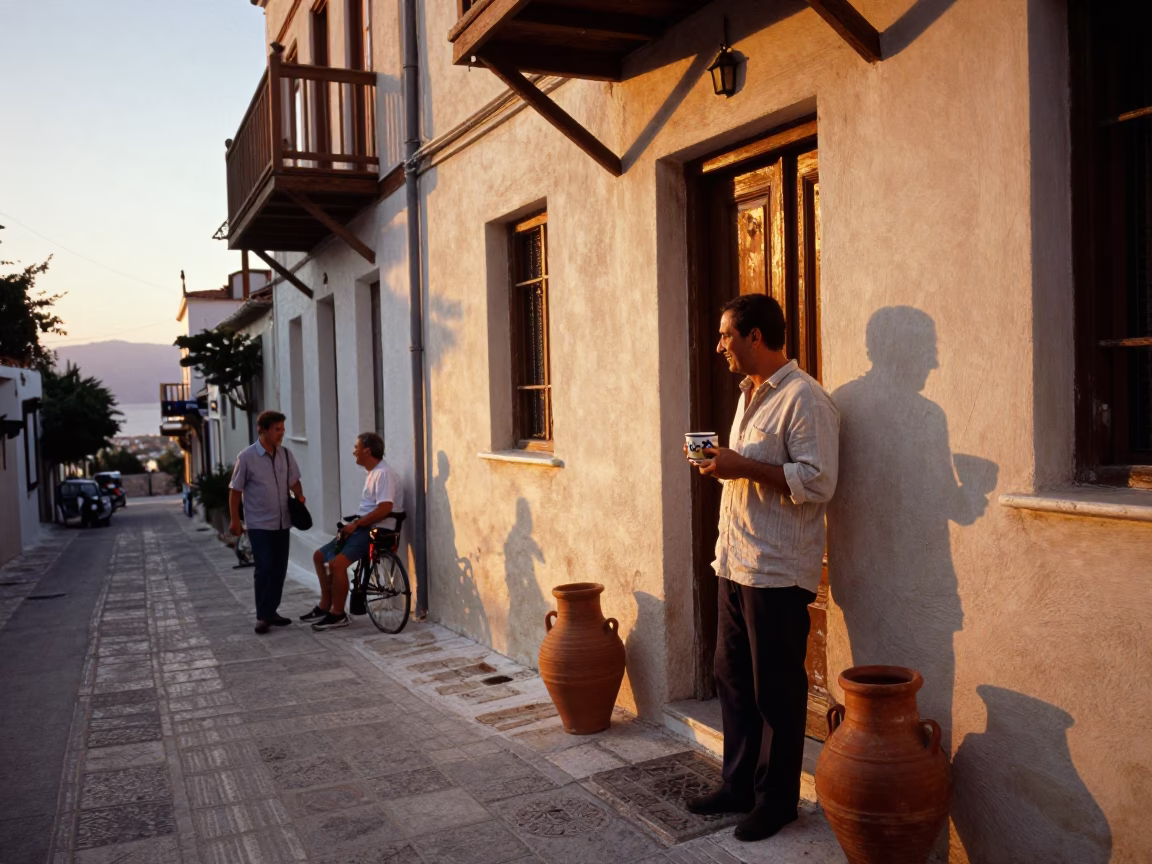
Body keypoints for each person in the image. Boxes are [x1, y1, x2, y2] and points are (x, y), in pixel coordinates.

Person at [685, 293, 839, 842]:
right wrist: (721, 466)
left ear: (755, 337)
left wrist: (740, 464)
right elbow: (753, 472)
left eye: (728, 335)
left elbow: (819, 482)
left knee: (776, 688)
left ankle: (777, 801)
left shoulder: (805, 399)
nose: (720, 344)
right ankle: (738, 785)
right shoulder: (748, 394)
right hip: (735, 559)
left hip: (777, 570)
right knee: (732, 678)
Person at [302, 431, 403, 631]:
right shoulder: (373, 472)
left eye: (356, 448)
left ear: (367, 451)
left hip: (375, 530)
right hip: (362, 527)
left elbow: (385, 508)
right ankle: (325, 606)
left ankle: (338, 613)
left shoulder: (383, 474)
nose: (354, 452)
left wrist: (356, 524)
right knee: (319, 556)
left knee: (336, 564)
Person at [228, 410, 306, 634]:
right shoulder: (246, 457)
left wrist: (299, 498)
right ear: (262, 430)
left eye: (282, 429)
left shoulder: (286, 455)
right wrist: (235, 520)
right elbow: (235, 491)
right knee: (264, 567)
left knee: (279, 569)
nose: (281, 434)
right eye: (277, 429)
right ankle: (262, 615)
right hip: (259, 524)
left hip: (283, 522)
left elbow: (295, 482)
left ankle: (272, 610)